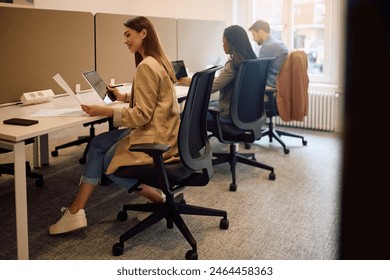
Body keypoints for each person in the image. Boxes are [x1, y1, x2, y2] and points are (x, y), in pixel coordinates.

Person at [49, 16, 181, 235]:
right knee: (99, 144)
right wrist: (122, 96)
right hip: (165, 132)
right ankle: (76, 211)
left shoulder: (146, 65)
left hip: (155, 137)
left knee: (107, 161)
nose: (125, 40)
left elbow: (141, 115)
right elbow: (154, 98)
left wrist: (107, 111)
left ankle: (77, 211)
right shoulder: (158, 61)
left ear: (143, 33)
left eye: (128, 34)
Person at [177, 25, 257, 122]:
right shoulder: (250, 61)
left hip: (229, 114)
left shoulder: (233, 64)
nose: (222, 45)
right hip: (246, 112)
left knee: (187, 113)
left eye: (223, 41)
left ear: (232, 43)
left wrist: (190, 82)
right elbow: (222, 80)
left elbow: (212, 88)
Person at [248, 20, 288, 89]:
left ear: (260, 32)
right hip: (280, 83)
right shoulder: (278, 43)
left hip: (271, 85)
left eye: (254, 35)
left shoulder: (268, 46)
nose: (253, 39)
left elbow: (259, 71)